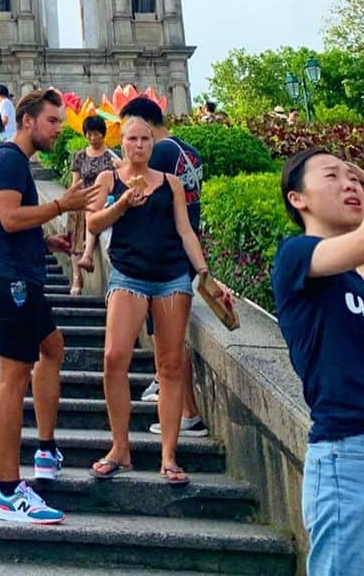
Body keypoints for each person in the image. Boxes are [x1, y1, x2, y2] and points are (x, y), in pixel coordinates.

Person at [87, 115, 229, 488]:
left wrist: (204, 273)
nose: (139, 145)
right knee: (114, 357)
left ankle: (168, 455)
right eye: (132, 139)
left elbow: (185, 230)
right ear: (122, 144)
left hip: (170, 277)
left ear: (153, 143)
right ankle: (120, 448)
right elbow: (93, 223)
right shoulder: (109, 179)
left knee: (170, 364)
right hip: (128, 274)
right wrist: (122, 206)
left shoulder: (171, 183)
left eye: (145, 139)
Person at [0, 88, 100, 525]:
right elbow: (9, 217)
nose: (58, 129)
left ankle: (46, 448)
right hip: (10, 278)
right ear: (27, 120)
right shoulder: (10, 158)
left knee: (53, 347)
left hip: (20, 271)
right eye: (52, 121)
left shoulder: (15, 162)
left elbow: (9, 223)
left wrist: (44, 237)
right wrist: (60, 205)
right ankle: (8, 492)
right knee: (12, 378)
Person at [272, 149, 364, 575]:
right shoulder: (296, 255)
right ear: (297, 198)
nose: (351, 184)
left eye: (355, 178)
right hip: (351, 458)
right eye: (333, 175)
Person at [124, 95, 208, 435]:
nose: (132, 136)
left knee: (167, 341)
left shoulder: (159, 153)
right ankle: (176, 400)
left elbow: (139, 196)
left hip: (164, 254)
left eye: (132, 126)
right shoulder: (190, 151)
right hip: (186, 250)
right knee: (171, 338)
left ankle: (187, 412)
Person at [68, 117, 121, 295]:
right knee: (76, 216)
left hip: (105, 199)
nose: (92, 138)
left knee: (94, 208)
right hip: (84, 198)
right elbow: (75, 183)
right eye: (89, 134)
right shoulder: (79, 156)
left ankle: (88, 254)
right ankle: (77, 277)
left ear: (103, 134)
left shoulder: (112, 156)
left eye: (96, 133)